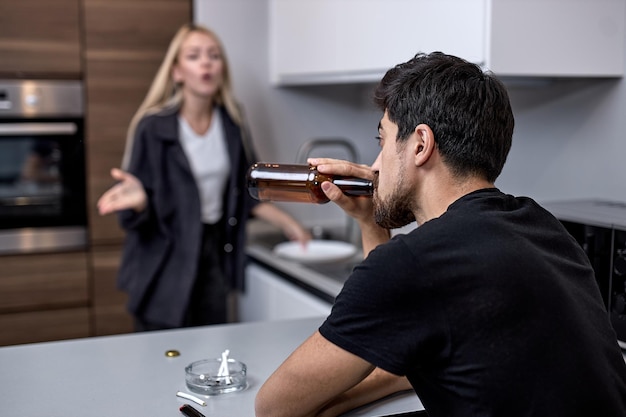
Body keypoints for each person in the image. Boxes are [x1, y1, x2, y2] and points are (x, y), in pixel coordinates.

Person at [255, 52, 626, 417]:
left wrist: (369, 387)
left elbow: (274, 407)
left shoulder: (415, 263)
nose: (374, 166)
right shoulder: (542, 225)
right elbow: (400, 334)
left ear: (420, 144)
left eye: (382, 141)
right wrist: (372, 224)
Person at [97, 23, 310, 331]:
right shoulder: (152, 127)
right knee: (163, 357)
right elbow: (132, 221)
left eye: (214, 55)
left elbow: (246, 191)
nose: (206, 62)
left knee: (210, 353)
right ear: (177, 72)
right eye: (194, 56)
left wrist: (291, 225)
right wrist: (140, 202)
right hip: (163, 262)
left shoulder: (232, 123)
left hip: (212, 255)